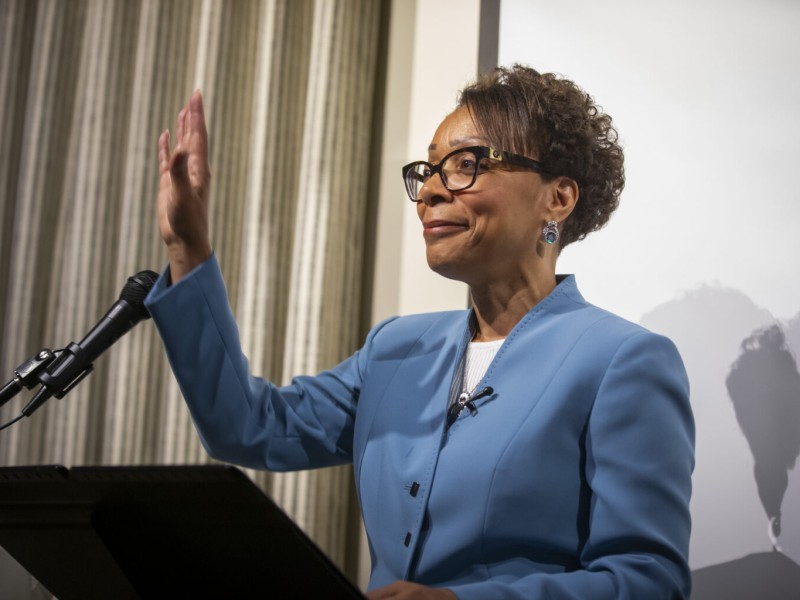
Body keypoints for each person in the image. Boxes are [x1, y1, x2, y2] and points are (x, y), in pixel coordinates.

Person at [145, 65, 695, 599]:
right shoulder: (396, 349)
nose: (430, 190)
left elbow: (648, 580)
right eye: (429, 170)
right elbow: (248, 427)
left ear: (558, 198)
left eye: (465, 164)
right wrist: (187, 249)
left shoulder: (620, 361)